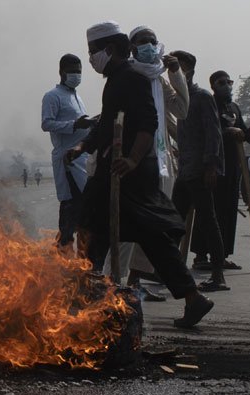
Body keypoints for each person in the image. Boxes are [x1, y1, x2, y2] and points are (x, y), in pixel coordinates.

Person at [69, 21, 213, 328]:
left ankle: (86, 298)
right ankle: (192, 298)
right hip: (127, 168)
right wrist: (84, 146)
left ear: (108, 50)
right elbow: (108, 125)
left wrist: (132, 160)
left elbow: (149, 123)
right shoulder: (118, 79)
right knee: (149, 237)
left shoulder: (132, 79)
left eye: (93, 52)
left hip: (129, 170)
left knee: (91, 226)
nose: (91, 58)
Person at [101, 25, 190, 300]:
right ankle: (113, 281)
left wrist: (176, 75)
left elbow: (181, 111)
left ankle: (135, 282)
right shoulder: (127, 75)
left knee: (154, 228)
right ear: (131, 47)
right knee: (127, 227)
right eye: (142, 41)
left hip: (161, 161)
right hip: (132, 160)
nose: (149, 46)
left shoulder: (161, 81)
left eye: (153, 40)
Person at [169, 51, 229, 292]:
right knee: (173, 222)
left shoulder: (202, 97)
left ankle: (218, 275)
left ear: (190, 72)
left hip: (200, 170)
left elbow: (213, 134)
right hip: (185, 170)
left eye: (179, 69)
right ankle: (169, 272)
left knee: (208, 221)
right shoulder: (179, 99)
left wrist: (211, 166)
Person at [190, 71, 250, 272]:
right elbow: (203, 132)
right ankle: (201, 255)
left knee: (228, 211)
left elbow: (244, 135)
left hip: (232, 168)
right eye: (222, 83)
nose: (227, 86)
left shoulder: (234, 108)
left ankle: (221, 255)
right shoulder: (207, 104)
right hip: (211, 166)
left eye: (229, 82)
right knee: (208, 211)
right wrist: (227, 132)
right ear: (213, 85)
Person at [41, 53, 93, 252]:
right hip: (67, 160)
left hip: (82, 160)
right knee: (71, 207)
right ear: (61, 72)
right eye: (72, 71)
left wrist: (89, 123)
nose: (76, 75)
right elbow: (46, 123)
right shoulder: (52, 96)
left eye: (79, 71)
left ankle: (82, 258)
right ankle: (63, 251)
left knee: (83, 209)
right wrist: (74, 124)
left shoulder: (76, 96)